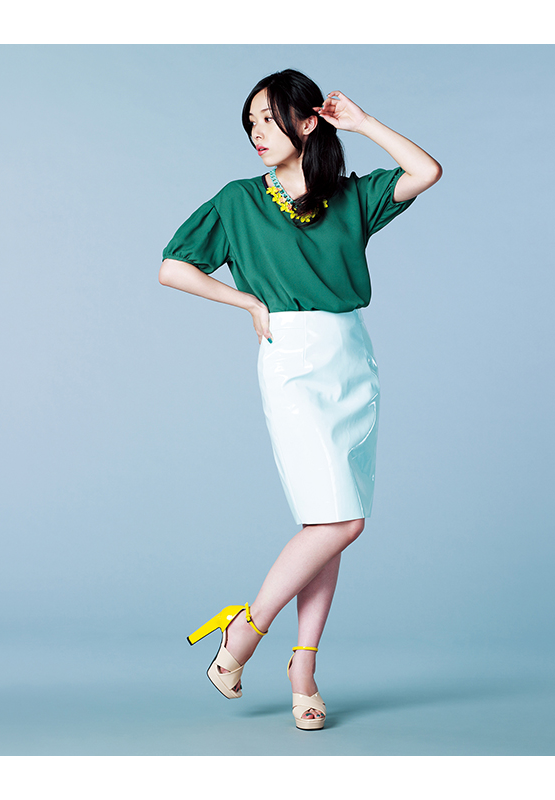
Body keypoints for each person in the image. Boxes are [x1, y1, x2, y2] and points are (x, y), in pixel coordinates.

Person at [159, 69, 441, 730]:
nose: (257, 132)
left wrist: (362, 123)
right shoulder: (238, 200)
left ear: (308, 121)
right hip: (291, 360)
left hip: (351, 358)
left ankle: (304, 671)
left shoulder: (351, 197)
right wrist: (246, 301)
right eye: (250, 123)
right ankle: (245, 633)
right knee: (340, 521)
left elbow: (425, 171)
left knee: (329, 522)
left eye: (268, 118)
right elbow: (173, 266)